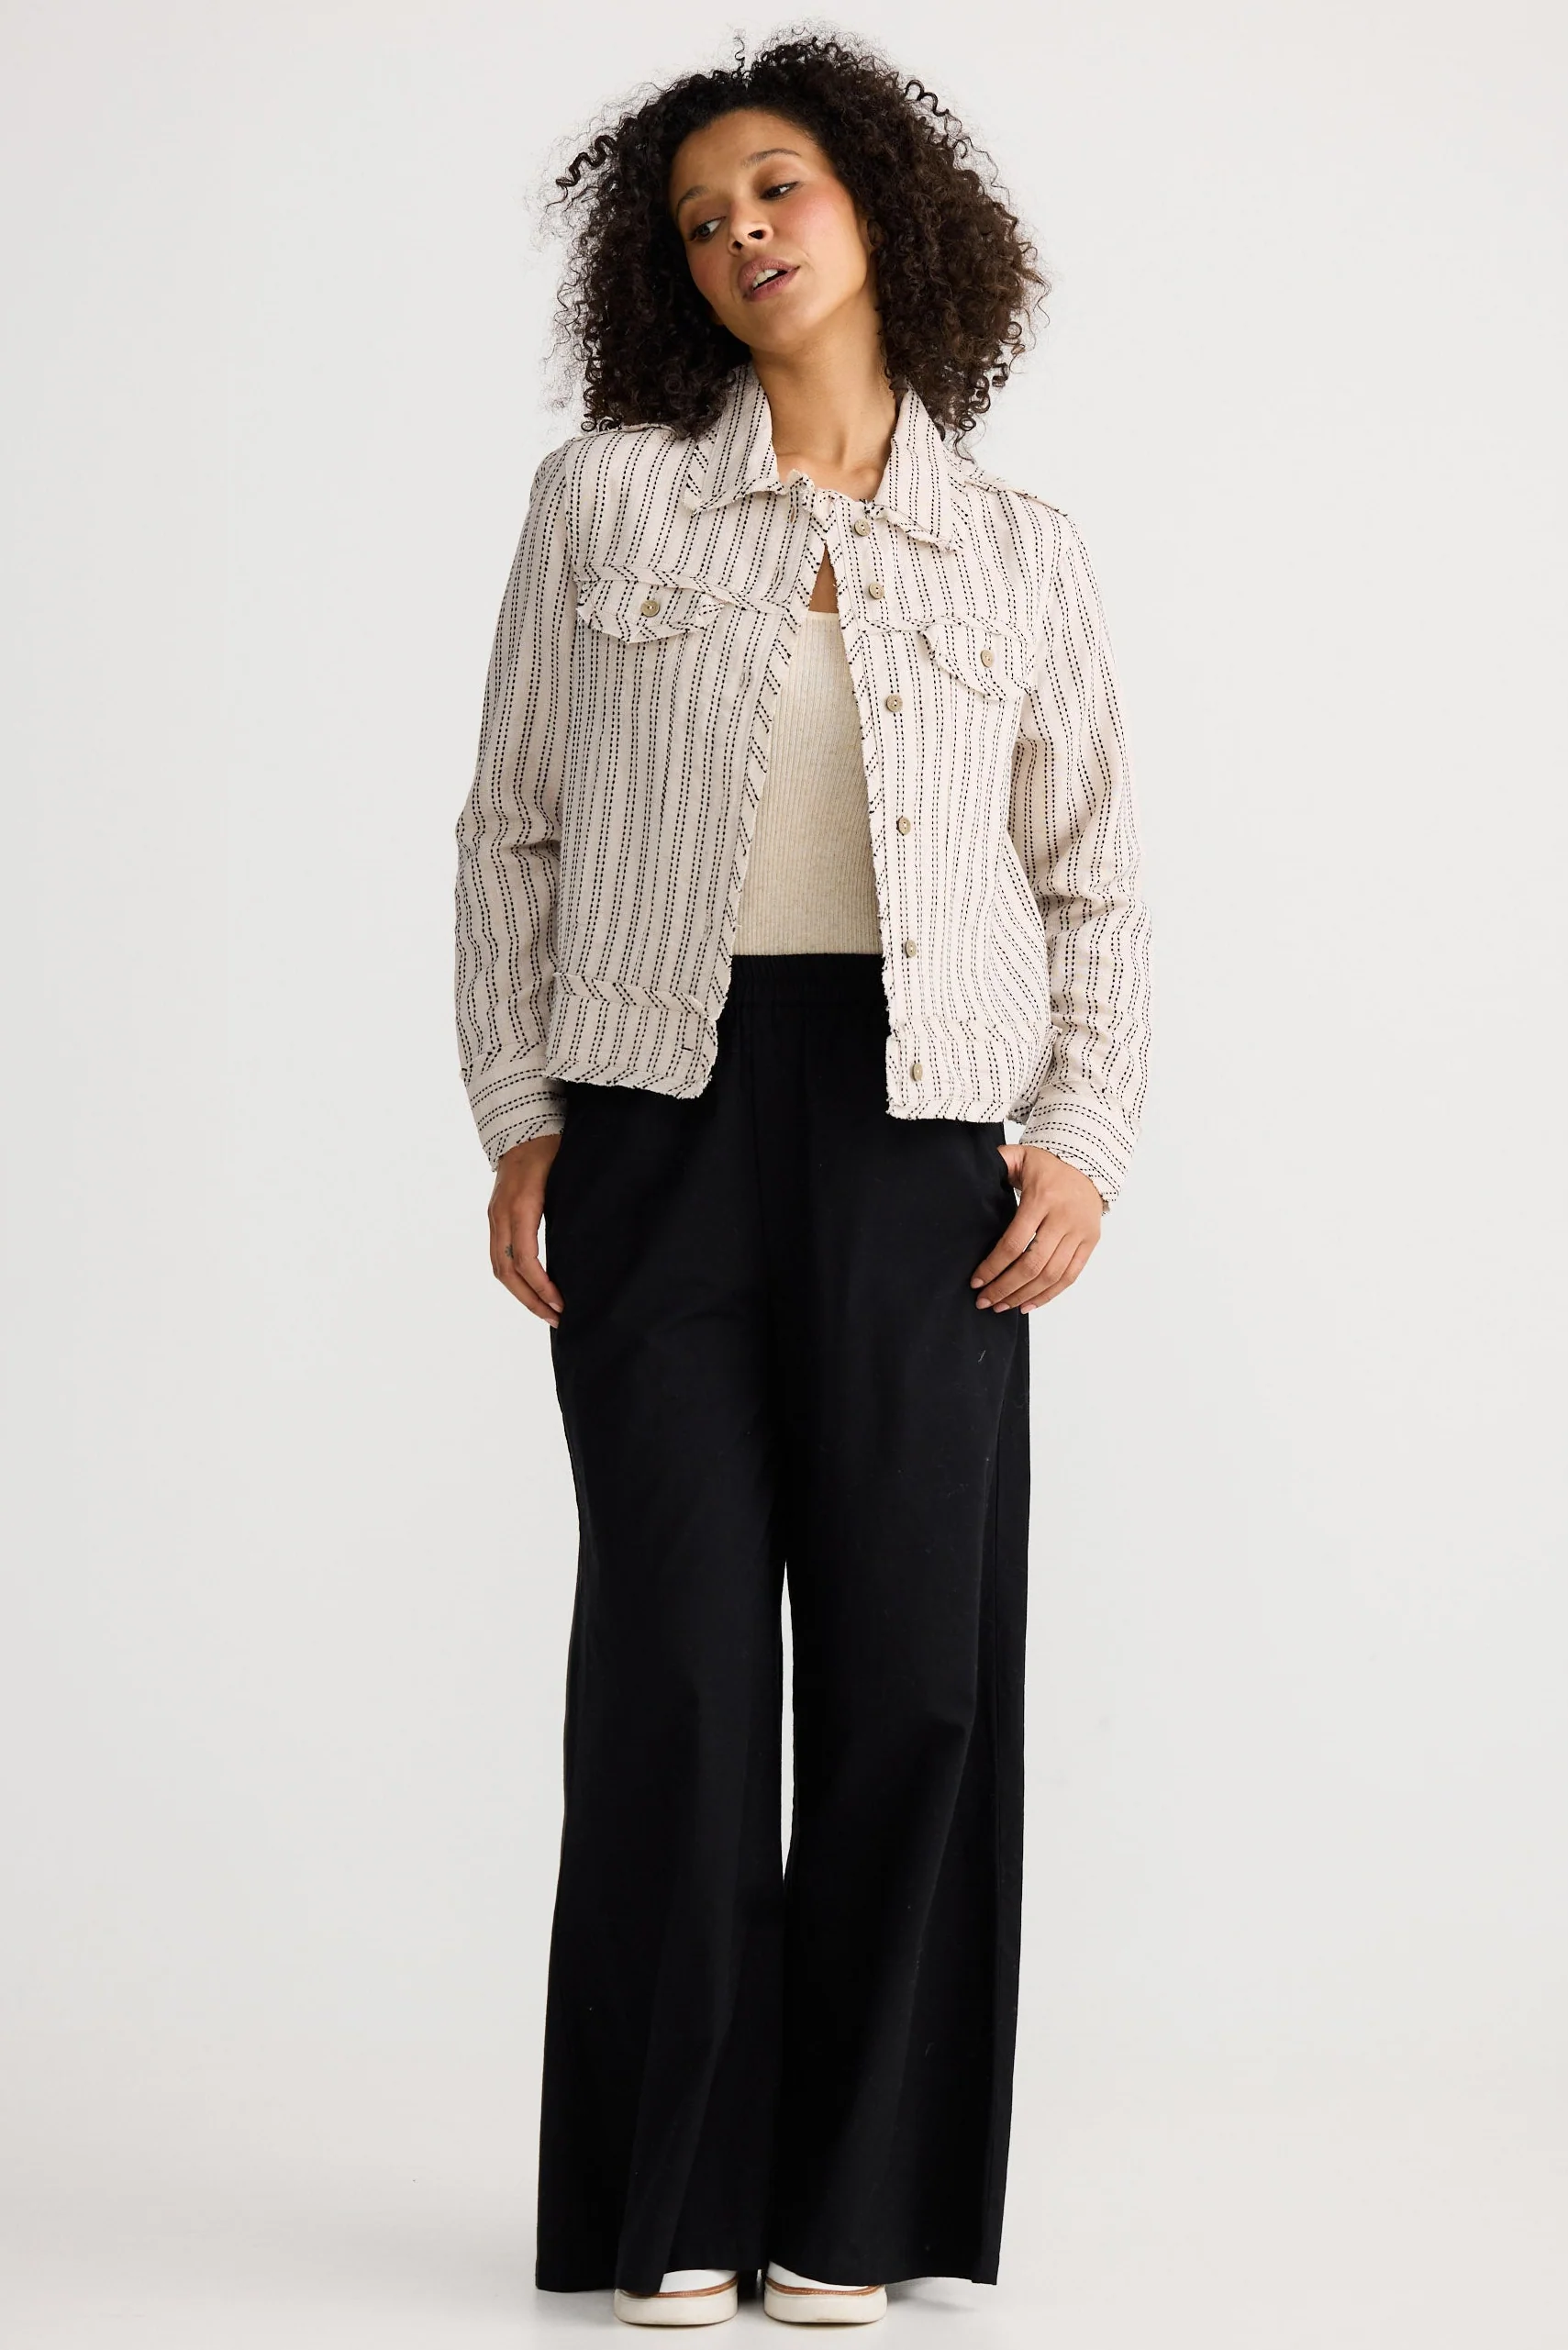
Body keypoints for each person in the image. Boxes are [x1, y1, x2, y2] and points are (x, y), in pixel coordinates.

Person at [452, 31, 1151, 2330]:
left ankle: (854, 2203)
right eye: (695, 220)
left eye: (774, 187)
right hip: (654, 1112)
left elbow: (1092, 880)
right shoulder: (606, 505)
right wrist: (519, 1110)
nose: (738, 233)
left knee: (911, 1668)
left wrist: (1080, 1137)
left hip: (921, 1132)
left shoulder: (1014, 549)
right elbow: (512, 830)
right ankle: (671, 2187)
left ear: (878, 209)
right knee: (669, 1659)